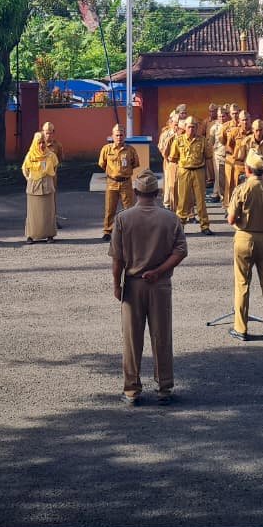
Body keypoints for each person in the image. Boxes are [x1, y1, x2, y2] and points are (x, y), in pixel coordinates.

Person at [109, 169, 186, 405]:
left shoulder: (123, 219)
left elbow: (117, 258)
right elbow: (181, 251)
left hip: (133, 285)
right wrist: (159, 271)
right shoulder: (170, 218)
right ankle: (164, 388)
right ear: (157, 192)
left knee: (132, 339)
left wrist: (116, 284)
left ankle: (132, 389)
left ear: (135, 192)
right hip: (160, 285)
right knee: (162, 336)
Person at [226, 151, 263, 341]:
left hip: (244, 237)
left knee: (242, 283)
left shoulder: (241, 190)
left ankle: (240, 328)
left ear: (248, 169)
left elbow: (231, 219)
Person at [167, 116, 215, 235]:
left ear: (197, 128)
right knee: (183, 201)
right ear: (185, 127)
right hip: (184, 171)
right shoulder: (178, 140)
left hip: (199, 171)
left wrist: (210, 175)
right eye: (189, 127)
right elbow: (173, 158)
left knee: (201, 200)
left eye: (194, 127)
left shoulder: (203, 140)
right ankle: (180, 226)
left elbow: (208, 156)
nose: (191, 129)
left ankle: (205, 226)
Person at [98, 124, 139, 241]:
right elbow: (102, 164)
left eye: (121, 135)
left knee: (129, 208)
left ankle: (130, 231)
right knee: (110, 208)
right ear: (112, 136)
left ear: (124, 136)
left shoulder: (130, 150)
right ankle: (108, 230)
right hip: (112, 182)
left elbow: (135, 163)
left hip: (126, 182)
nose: (119, 137)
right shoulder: (106, 149)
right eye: (117, 135)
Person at [22, 131, 59, 244]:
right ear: (35, 143)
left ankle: (49, 235)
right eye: (39, 143)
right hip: (34, 187)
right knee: (33, 213)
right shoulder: (30, 155)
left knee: (49, 212)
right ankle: (31, 235)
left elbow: (55, 168)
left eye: (43, 142)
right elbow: (25, 170)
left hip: (47, 186)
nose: (41, 145)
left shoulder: (51, 155)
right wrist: (30, 179)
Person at [41, 121, 65, 229]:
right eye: (46, 133)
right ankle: (40, 222)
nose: (48, 135)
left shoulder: (57, 145)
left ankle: (53, 221)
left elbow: (60, 159)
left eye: (50, 133)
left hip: (52, 176)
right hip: (39, 176)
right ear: (43, 132)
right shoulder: (38, 144)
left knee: (52, 198)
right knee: (40, 199)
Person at [223, 110, 251, 199]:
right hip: (238, 165)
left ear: (250, 120)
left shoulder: (254, 132)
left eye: (247, 119)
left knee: (250, 189)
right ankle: (230, 207)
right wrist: (235, 154)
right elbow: (228, 145)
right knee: (234, 187)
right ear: (239, 121)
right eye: (243, 120)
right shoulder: (234, 132)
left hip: (251, 166)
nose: (245, 122)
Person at [158, 112, 179, 211]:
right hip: (168, 161)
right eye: (175, 124)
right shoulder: (165, 134)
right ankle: (167, 203)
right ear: (171, 123)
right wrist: (167, 158)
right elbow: (161, 147)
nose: (177, 127)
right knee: (168, 182)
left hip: (181, 163)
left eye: (178, 124)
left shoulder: (181, 134)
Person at [208, 105, 229, 203]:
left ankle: (224, 195)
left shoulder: (231, 126)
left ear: (227, 116)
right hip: (218, 155)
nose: (221, 118)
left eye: (223, 116)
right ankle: (222, 197)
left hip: (230, 155)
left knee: (228, 177)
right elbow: (211, 143)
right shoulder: (214, 128)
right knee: (219, 177)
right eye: (219, 116)